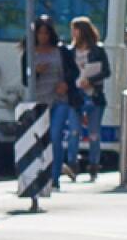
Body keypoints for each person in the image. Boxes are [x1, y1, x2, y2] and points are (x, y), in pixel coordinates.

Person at [27, 17, 78, 193]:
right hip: (38, 101)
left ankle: (54, 178)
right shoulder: (29, 52)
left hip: (59, 99)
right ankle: (38, 174)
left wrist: (66, 84)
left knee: (55, 136)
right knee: (39, 140)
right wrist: (36, 72)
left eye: (46, 33)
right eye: (40, 33)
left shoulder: (61, 51)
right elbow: (25, 79)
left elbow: (74, 71)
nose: (43, 37)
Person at [68, 16, 110, 182]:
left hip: (94, 96)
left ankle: (93, 164)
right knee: (74, 132)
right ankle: (72, 164)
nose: (73, 33)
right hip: (76, 97)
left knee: (94, 133)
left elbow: (106, 71)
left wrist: (91, 80)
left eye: (75, 29)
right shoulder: (70, 51)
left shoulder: (98, 50)